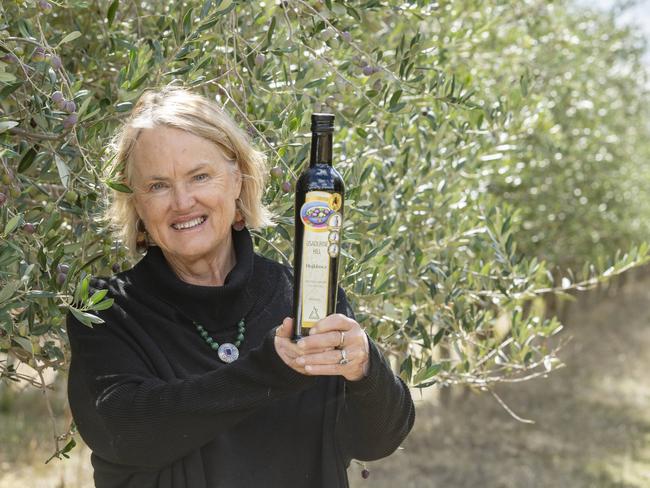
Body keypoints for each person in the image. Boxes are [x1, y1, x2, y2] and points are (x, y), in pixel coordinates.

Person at [66, 88, 415, 488]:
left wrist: (365, 369)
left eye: (200, 176)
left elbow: (379, 439)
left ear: (237, 180)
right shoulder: (105, 310)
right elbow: (123, 432)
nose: (182, 201)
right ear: (136, 204)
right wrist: (271, 370)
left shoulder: (302, 296)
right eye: (158, 185)